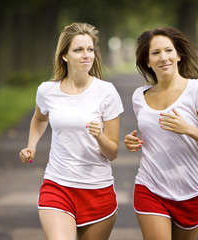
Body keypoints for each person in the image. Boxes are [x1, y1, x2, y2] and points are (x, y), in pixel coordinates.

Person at [19, 22, 124, 240]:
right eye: (78, 50)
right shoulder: (47, 91)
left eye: (90, 49)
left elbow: (112, 152)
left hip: (97, 189)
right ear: (64, 56)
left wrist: (100, 136)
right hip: (58, 185)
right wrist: (31, 145)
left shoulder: (106, 92)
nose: (86, 55)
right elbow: (40, 118)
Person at [124, 27, 198, 240]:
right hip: (150, 187)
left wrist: (187, 128)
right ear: (147, 61)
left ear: (178, 55)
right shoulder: (139, 96)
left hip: (192, 191)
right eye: (156, 53)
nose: (163, 57)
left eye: (168, 50)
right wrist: (132, 142)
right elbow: (153, 135)